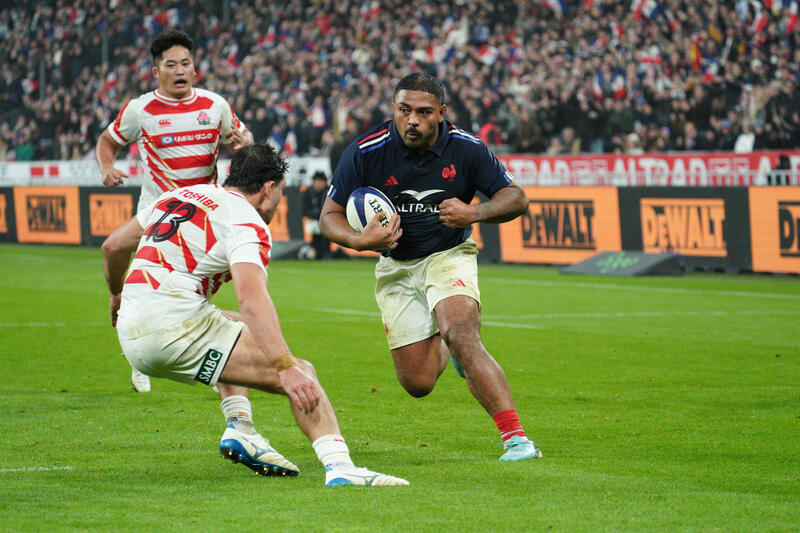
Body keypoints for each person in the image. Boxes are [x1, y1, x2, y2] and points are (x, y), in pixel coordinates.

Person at [101, 141, 408, 487]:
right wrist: (284, 367)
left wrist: (116, 292)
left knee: (234, 324)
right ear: (268, 189)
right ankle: (340, 465)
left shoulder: (179, 196)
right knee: (302, 372)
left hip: (131, 332)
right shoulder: (247, 222)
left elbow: (113, 246)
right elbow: (251, 297)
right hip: (173, 329)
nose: (278, 202)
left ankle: (241, 427)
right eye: (279, 192)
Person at [319, 72, 542, 461]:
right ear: (394, 109)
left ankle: (517, 440)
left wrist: (474, 212)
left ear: (441, 112)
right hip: (396, 266)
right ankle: (448, 346)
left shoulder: (467, 148)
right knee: (418, 382)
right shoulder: (365, 150)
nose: (412, 121)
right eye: (404, 110)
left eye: (423, 112)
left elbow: (517, 198)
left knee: (462, 331)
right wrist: (359, 240)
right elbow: (329, 216)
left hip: (448, 254)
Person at [95, 29, 254, 392]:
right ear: (156, 71)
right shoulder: (140, 110)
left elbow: (244, 147)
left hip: (202, 215)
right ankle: (138, 356)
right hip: (155, 214)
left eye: (186, 63)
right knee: (140, 287)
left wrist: (246, 144)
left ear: (195, 69)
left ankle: (209, 354)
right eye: (171, 65)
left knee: (194, 289)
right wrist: (106, 167)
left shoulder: (215, 106)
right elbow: (108, 140)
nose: (180, 70)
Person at [301, 171, 331, 259]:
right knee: (315, 234)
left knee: (326, 235)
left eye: (321, 181)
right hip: (314, 221)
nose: (319, 184)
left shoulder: (329, 192)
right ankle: (315, 253)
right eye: (317, 181)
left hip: (327, 220)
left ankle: (326, 254)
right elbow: (304, 211)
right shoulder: (308, 192)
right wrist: (315, 214)